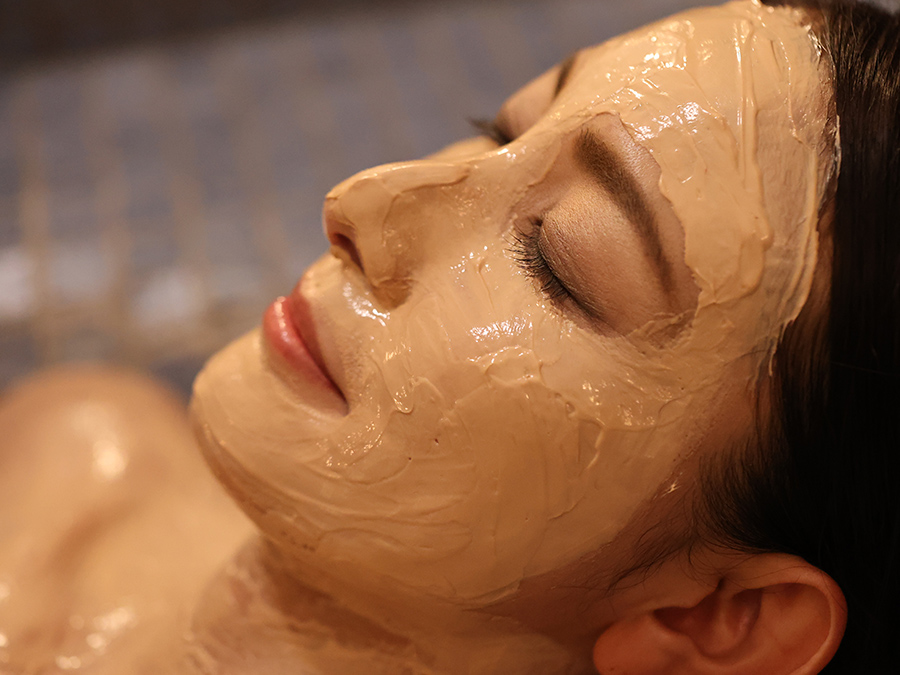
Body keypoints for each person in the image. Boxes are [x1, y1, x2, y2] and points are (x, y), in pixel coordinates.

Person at [1, 0, 897, 672]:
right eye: (497, 133)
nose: (363, 199)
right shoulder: (79, 445)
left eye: (555, 261)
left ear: (721, 620)